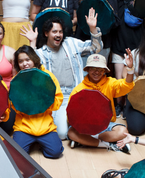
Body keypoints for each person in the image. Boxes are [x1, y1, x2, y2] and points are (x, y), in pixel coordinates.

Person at [20, 11, 102, 140]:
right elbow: (32, 69)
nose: (58, 34)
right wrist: (33, 42)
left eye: (60, 31)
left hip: (77, 93)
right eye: (54, 31)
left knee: (93, 127)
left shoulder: (71, 43)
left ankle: (78, 130)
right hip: (58, 98)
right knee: (62, 134)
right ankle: (75, 132)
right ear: (46, 33)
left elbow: (95, 48)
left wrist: (92, 28)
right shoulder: (41, 53)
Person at [99, 0, 145, 116]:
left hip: (137, 44)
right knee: (119, 78)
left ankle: (129, 106)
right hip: (119, 43)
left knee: (133, 77)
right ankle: (119, 105)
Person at [67, 53, 135, 153]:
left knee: (123, 132)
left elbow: (127, 85)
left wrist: (130, 68)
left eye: (100, 69)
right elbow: (71, 114)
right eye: (93, 68)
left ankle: (87, 141)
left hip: (105, 126)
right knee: (71, 132)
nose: (97, 72)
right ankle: (108, 144)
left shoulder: (110, 83)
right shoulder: (78, 90)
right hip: (85, 127)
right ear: (88, 69)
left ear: (104, 71)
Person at [10, 46, 64, 159]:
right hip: (24, 127)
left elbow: (58, 100)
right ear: (17, 64)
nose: (25, 63)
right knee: (18, 155)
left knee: (55, 153)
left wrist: (45, 101)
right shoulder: (16, 80)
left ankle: (41, 143)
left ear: (34, 59)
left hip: (46, 127)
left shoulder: (48, 76)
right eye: (21, 61)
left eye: (27, 59)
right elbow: (13, 105)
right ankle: (30, 141)